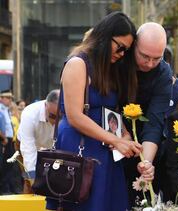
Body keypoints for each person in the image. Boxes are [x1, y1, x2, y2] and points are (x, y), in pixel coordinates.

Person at [46, 12, 143, 211]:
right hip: (79, 146)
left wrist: (124, 135)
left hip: (104, 150)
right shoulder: (78, 63)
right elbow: (75, 116)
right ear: (105, 37)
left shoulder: (108, 68)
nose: (122, 54)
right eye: (120, 47)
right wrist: (115, 140)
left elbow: (109, 111)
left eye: (126, 50)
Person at [120, 22, 172, 207]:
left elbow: (155, 121)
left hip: (145, 145)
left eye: (156, 58)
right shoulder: (118, 61)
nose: (150, 64)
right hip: (110, 139)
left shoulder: (163, 73)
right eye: (145, 56)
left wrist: (146, 164)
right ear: (134, 45)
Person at [18, 89, 59, 179]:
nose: (56, 121)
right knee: (29, 180)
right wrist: (32, 176)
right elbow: (28, 148)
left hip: (50, 148)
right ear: (45, 105)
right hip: (27, 145)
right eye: (52, 116)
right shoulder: (30, 113)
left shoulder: (70, 112)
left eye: (60, 117)